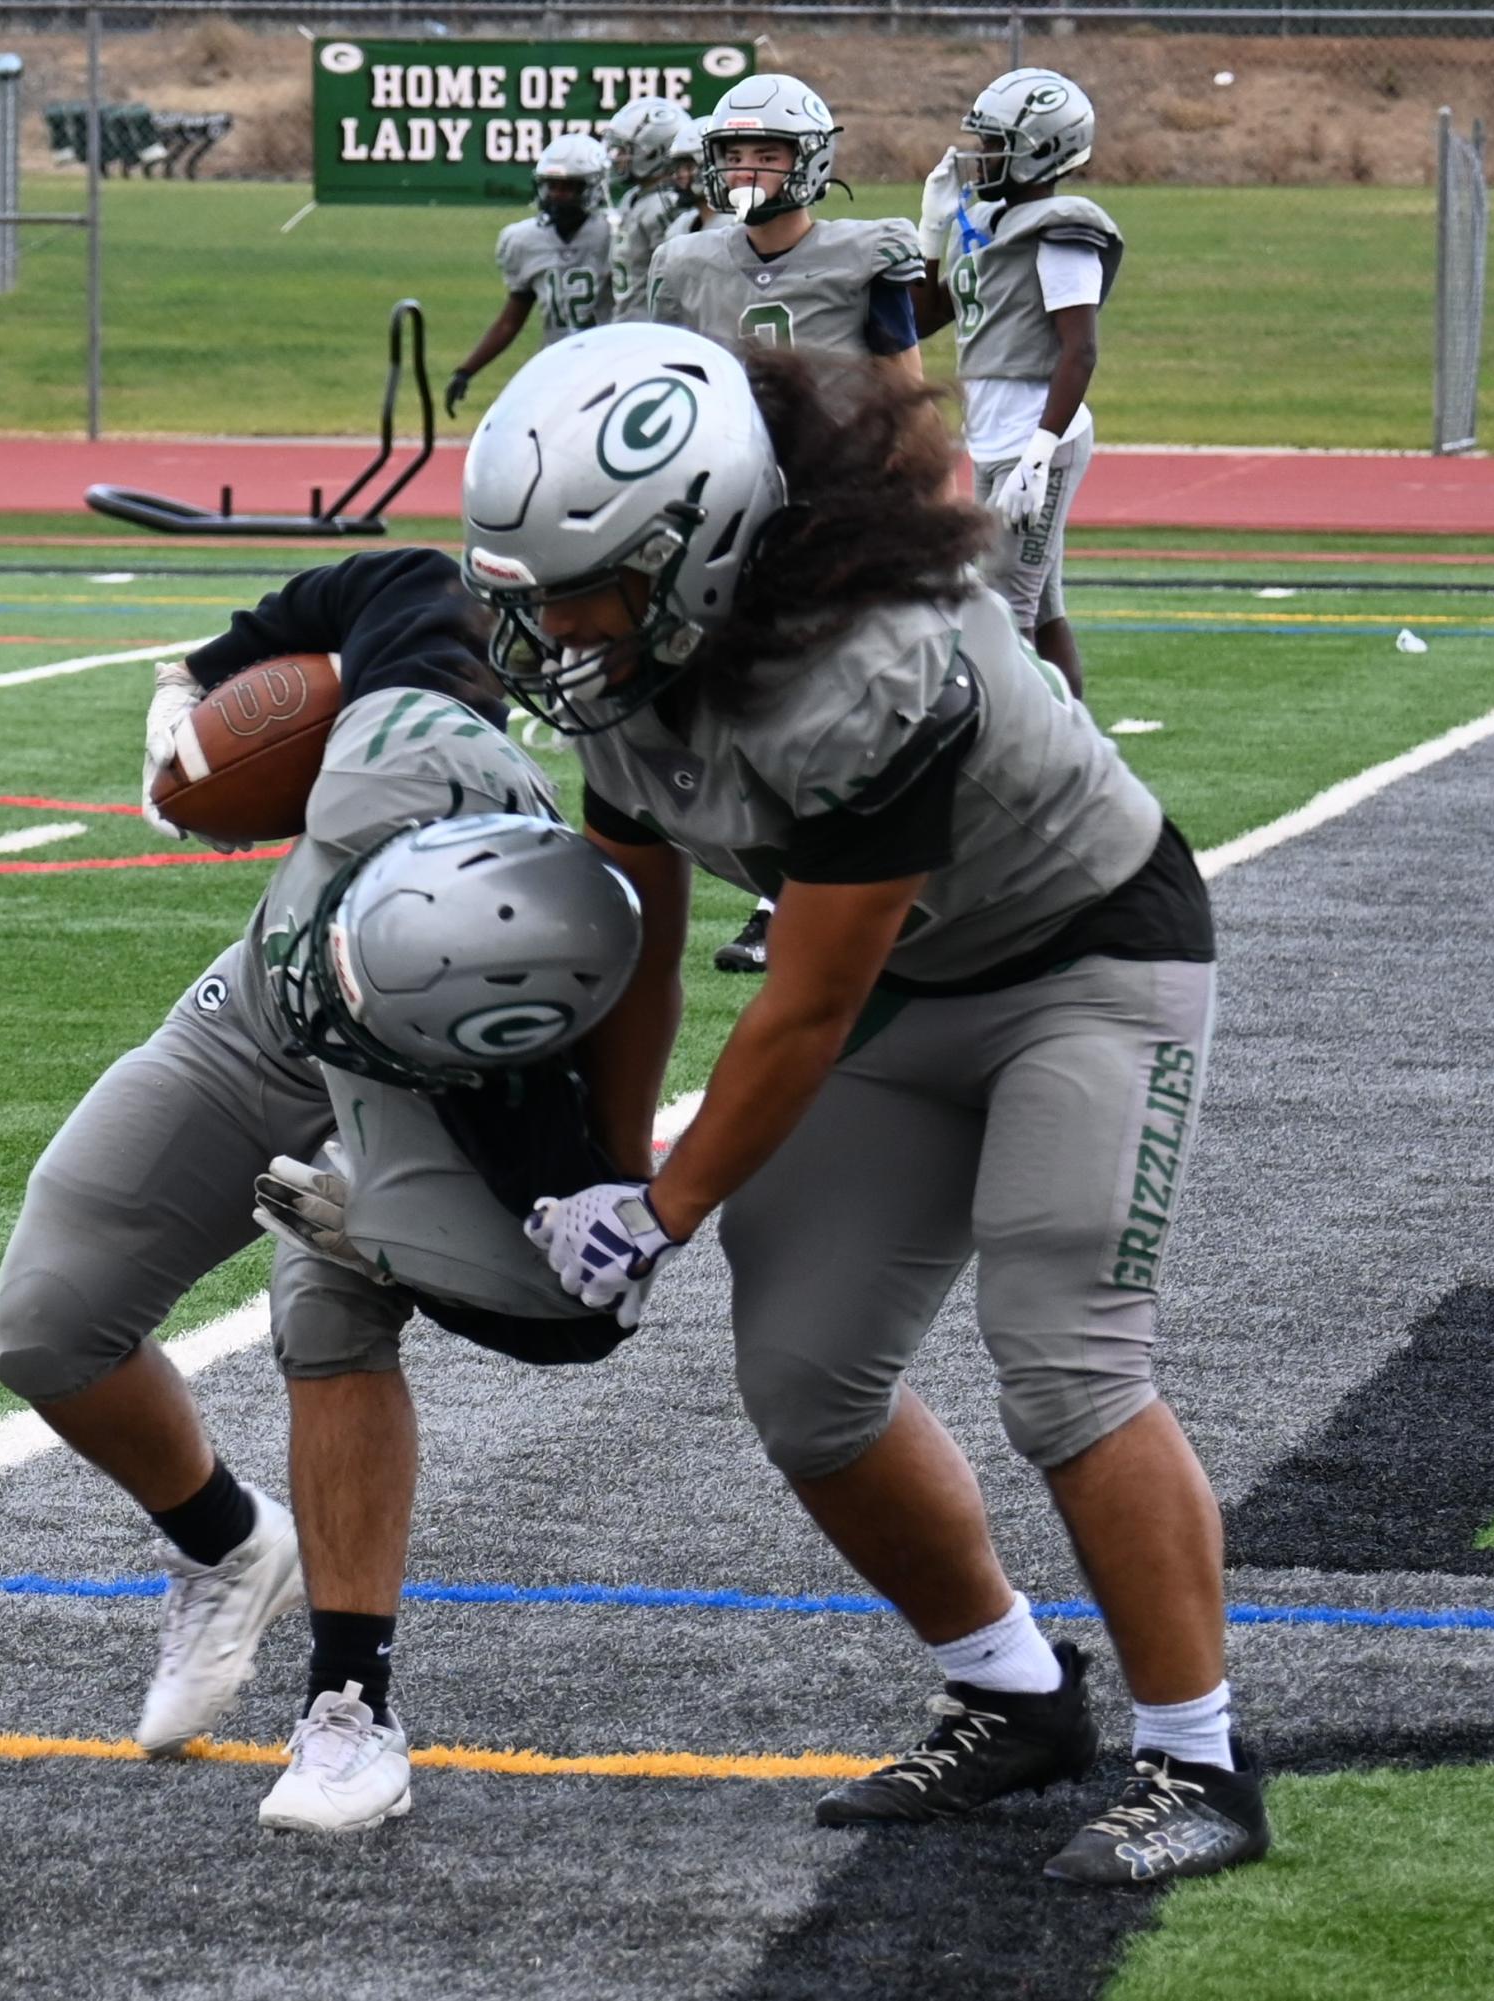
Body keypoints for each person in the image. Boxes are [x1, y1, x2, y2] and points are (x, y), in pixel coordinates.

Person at [459, 323, 1271, 1888]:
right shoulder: (639, 665)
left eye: (584, 588)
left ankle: (1200, 1757)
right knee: (808, 1378)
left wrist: (668, 1209)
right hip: (914, 988)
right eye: (535, 588)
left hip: (1086, 955)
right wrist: (604, 1167)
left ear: (700, 555)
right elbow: (639, 937)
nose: (552, 628)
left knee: (1068, 1363)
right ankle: (1016, 1693)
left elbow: (811, 994)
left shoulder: (869, 659)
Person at [0, 548, 642, 1835]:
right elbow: (399, 575)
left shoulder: (513, 1056)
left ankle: (351, 1710)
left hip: (407, 1099)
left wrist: (392, 1248)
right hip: (260, 1015)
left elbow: (582, 1316)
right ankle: (229, 1544)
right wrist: (200, 677)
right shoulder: (397, 728)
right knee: (47, 1325)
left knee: (330, 1303)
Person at [647, 72, 926, 977]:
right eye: (734, 154)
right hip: (728, 513)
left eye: (767, 153)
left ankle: (842, 895)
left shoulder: (865, 254)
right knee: (723, 719)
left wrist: (916, 500)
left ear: (810, 162)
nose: (748, 171)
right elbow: (661, 391)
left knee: (836, 713)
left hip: (836, 511)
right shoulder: (686, 262)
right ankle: (787, 886)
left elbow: (905, 394)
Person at [910, 69, 1118, 701]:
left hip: (1036, 439)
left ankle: (1027, 761)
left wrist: (1039, 451)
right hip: (1001, 437)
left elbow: (1080, 351)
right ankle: (1078, 749)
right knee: (1043, 609)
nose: (983, 156)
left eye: (996, 143)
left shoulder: (1060, 230)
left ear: (1042, 148)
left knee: (1005, 615)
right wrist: (931, 233)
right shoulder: (993, 222)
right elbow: (920, 319)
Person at [446, 133, 613, 423]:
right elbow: (511, 320)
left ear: (593, 187)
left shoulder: (615, 235)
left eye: (569, 187)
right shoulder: (524, 240)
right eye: (552, 186)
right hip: (560, 363)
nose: (558, 195)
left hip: (611, 362)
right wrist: (466, 370)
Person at [602, 96, 691, 324]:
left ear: (654, 153)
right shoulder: (634, 197)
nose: (617, 157)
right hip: (627, 320)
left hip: (650, 327)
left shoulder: (663, 206)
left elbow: (676, 279)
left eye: (625, 150)